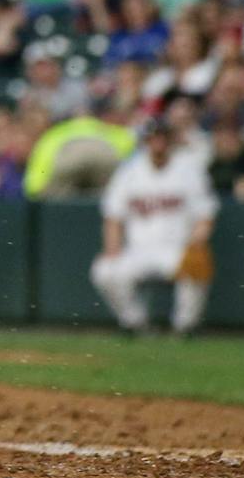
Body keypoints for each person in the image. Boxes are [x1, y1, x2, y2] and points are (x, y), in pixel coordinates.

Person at [91, 117, 217, 337]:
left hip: (177, 248)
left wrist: (197, 242)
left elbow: (205, 215)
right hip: (139, 249)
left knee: (196, 264)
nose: (158, 143)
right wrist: (113, 248)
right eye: (153, 138)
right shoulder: (129, 171)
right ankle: (134, 323)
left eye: (162, 138)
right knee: (104, 270)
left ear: (170, 141)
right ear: (145, 141)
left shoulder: (189, 169)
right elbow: (113, 216)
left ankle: (185, 326)